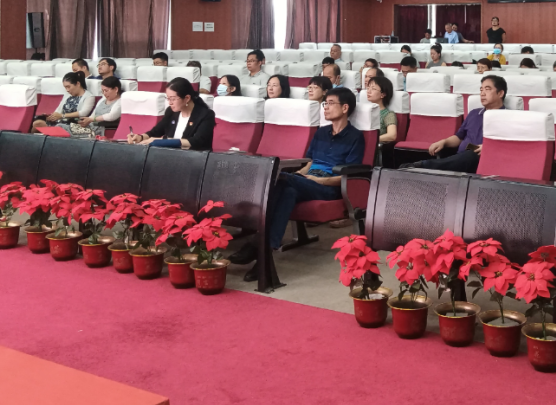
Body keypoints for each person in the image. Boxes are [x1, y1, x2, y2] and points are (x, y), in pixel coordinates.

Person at [232, 88, 365, 272]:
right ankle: (266, 254)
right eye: (325, 104)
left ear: (345, 108)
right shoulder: (321, 133)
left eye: (330, 103)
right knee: (287, 191)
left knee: (280, 177)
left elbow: (349, 175)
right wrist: (300, 175)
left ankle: (256, 243)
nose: (325, 107)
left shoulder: (356, 137)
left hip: (329, 186)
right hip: (308, 181)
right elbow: (310, 163)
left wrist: (317, 181)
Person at [404, 76, 506, 173]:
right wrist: (444, 142)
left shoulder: (507, 118)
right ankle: (422, 168)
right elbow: (459, 137)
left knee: (471, 155)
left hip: (481, 160)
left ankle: (423, 166)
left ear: (500, 93)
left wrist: (488, 147)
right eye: (481, 90)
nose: (482, 93)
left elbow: (506, 147)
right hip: (460, 158)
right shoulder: (474, 113)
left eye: (487, 89)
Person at [127, 77, 215, 150]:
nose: (170, 103)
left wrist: (163, 141)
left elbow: (196, 141)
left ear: (187, 98)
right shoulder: (171, 111)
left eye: (172, 99)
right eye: (168, 98)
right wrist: (140, 137)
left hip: (196, 159)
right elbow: (156, 131)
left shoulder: (206, 115)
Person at [367, 75, 398, 143]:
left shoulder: (388, 114)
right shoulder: (365, 111)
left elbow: (392, 135)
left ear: (383, 94)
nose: (368, 91)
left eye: (373, 89)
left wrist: (371, 140)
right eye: (368, 88)